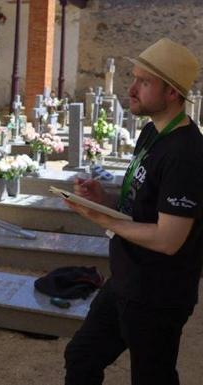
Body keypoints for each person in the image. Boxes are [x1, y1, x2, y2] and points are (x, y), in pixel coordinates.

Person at [63, 38, 203, 385]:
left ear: (172, 92)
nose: (131, 88)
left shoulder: (185, 154)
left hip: (158, 293)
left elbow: (169, 239)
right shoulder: (151, 134)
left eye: (144, 81)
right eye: (134, 77)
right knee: (81, 355)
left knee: (152, 377)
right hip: (127, 279)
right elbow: (140, 210)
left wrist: (103, 219)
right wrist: (103, 199)